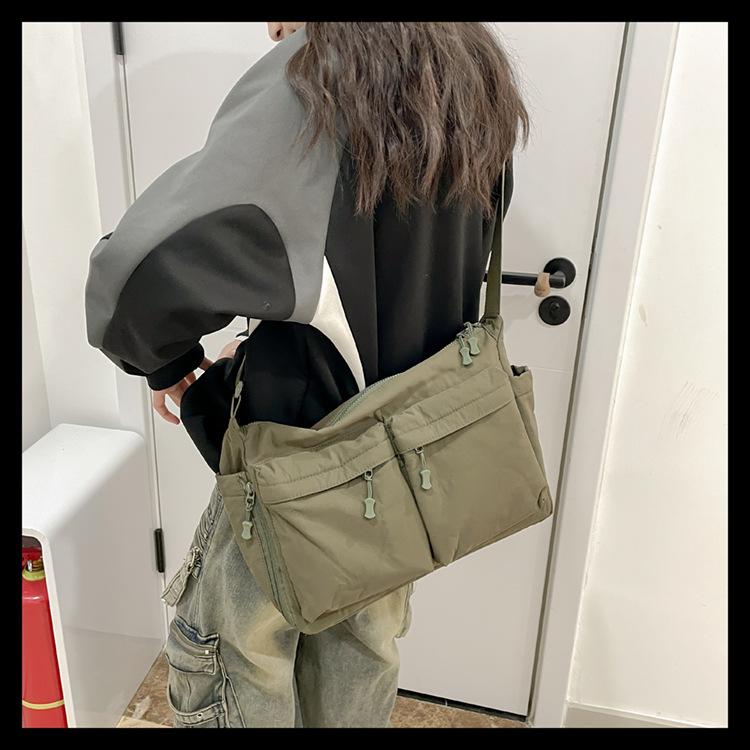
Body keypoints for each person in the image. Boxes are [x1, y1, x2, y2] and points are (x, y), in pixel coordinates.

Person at [84, 21, 529, 728]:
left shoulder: (322, 74)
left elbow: (134, 276)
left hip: (295, 461)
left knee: (231, 660)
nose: (271, 29)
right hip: (406, 467)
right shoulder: (468, 65)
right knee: (361, 651)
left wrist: (168, 361)